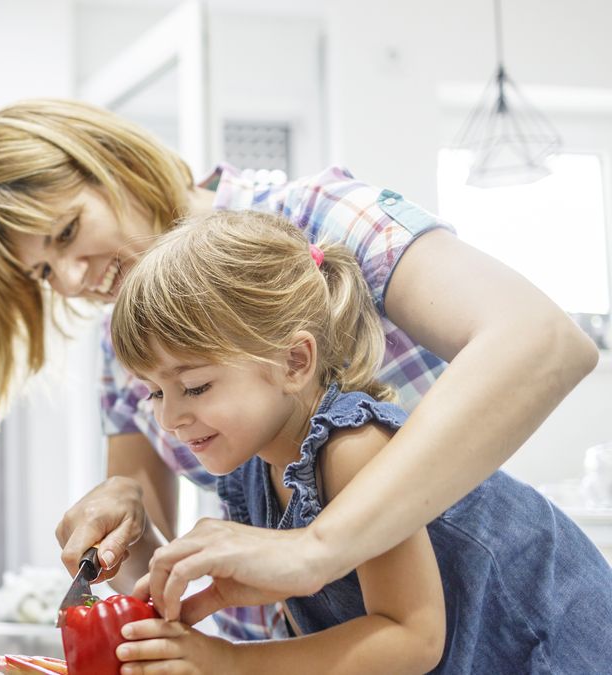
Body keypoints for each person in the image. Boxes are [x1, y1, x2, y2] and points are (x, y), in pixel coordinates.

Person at [0, 98, 598, 635]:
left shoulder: (320, 218)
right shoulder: (117, 346)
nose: (70, 279)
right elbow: (152, 574)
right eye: (42, 272)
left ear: (115, 163)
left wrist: (317, 549)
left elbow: (542, 342)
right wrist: (128, 508)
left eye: (67, 232)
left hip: (497, 629)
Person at [106, 210, 612, 673]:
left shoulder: (352, 447)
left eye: (195, 387)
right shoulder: (256, 473)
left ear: (294, 363)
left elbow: (410, 639)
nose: (170, 418)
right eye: (154, 392)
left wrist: (230, 663)